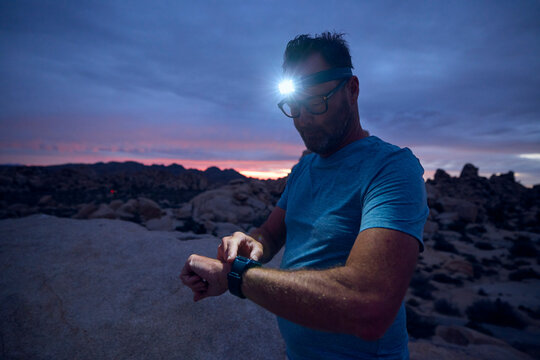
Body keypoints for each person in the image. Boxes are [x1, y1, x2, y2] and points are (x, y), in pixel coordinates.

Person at [180, 32, 429, 360]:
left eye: (315, 101)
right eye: (293, 106)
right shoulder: (305, 168)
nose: (302, 119)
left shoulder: (391, 168)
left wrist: (237, 276)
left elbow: (369, 305)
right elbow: (271, 233)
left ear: (352, 90)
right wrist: (251, 245)